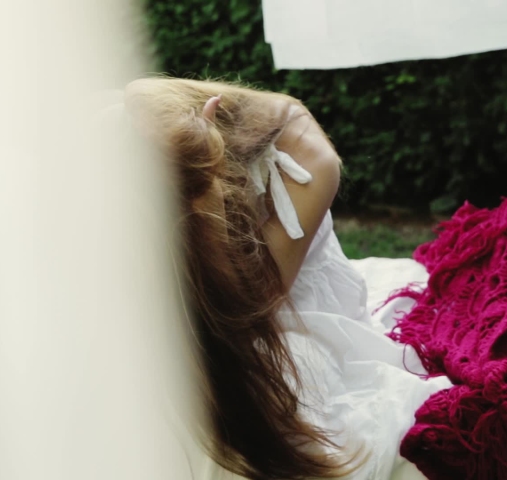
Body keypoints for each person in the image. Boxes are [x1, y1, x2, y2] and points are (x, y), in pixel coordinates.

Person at [121, 77, 450, 480]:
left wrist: (206, 200)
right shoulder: (139, 115)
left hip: (276, 306)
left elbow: (247, 309)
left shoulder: (312, 163)